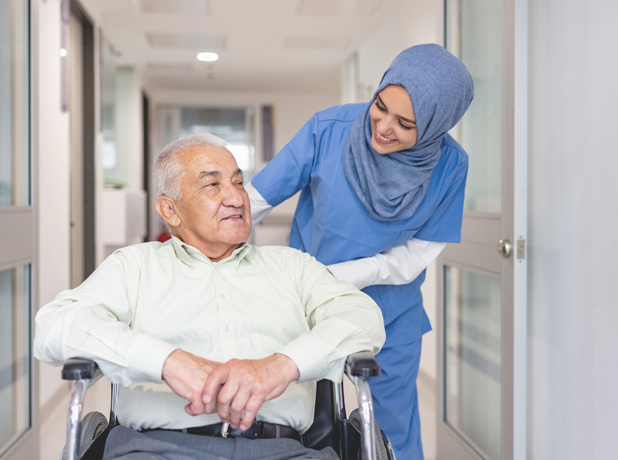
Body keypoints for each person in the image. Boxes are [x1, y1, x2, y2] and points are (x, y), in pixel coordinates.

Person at [34, 134, 385, 460]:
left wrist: (281, 366)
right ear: (170, 209)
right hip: (153, 449)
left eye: (237, 182)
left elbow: (363, 318)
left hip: (282, 450)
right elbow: (53, 327)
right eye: (213, 184)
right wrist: (167, 361)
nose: (236, 197)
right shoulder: (133, 267)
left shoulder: (292, 266)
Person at [247, 44, 474, 460]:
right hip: (306, 306)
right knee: (294, 422)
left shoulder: (450, 165)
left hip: (390, 314)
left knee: (391, 435)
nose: (383, 127)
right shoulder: (328, 129)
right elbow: (255, 200)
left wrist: (345, 274)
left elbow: (417, 255)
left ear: (436, 126)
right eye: (380, 106)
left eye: (405, 123)